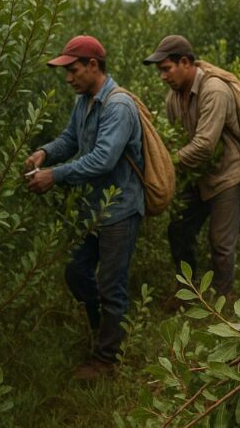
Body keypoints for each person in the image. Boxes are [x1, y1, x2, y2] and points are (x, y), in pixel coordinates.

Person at [25, 35, 143, 379]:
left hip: (119, 209)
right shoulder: (85, 101)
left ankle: (107, 360)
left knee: (111, 285)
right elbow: (70, 140)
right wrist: (44, 153)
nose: (68, 77)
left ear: (93, 66)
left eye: (72, 69)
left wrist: (54, 176)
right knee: (76, 272)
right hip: (96, 209)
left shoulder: (118, 106)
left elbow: (103, 160)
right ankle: (103, 331)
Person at [143, 35, 240, 297]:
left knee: (221, 245)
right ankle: (188, 291)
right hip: (196, 176)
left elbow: (203, 146)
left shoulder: (214, 90)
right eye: (160, 71)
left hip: (226, 176)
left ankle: (223, 302)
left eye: (166, 69)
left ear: (186, 62)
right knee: (178, 230)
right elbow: (178, 138)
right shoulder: (173, 97)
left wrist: (165, 164)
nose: (163, 77)